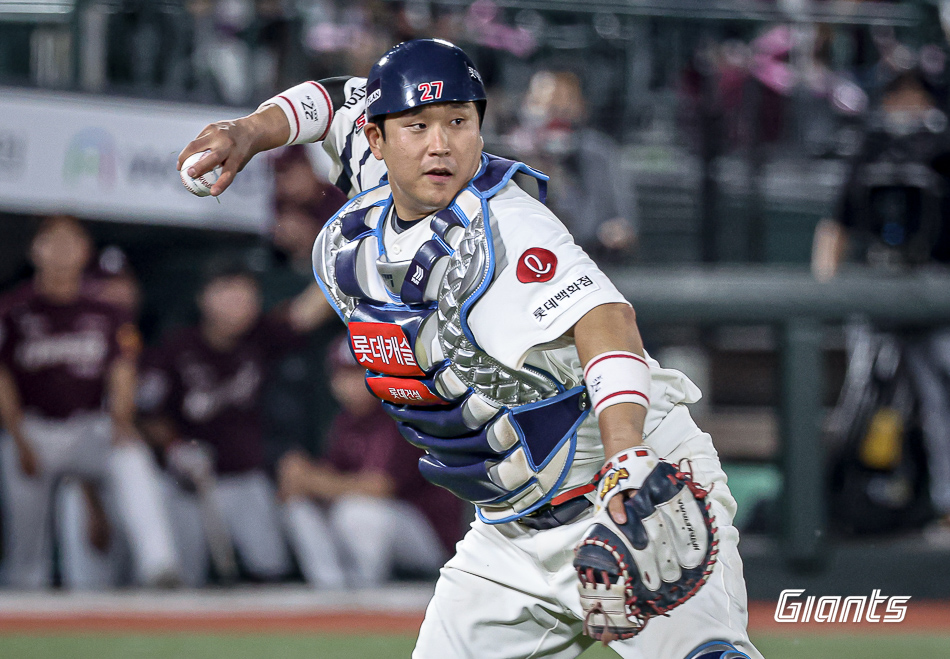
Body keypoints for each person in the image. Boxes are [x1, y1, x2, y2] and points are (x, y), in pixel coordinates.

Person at [178, 39, 761, 659]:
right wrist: (249, 131)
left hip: (623, 496)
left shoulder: (504, 226)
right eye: (418, 125)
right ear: (376, 140)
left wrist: (628, 461)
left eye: (460, 121)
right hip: (511, 533)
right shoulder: (378, 177)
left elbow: (607, 321)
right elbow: (330, 100)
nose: (440, 142)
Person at [0, 215, 179, 589]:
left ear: (84, 251)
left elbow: (122, 369)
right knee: (25, 527)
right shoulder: (13, 308)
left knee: (131, 458)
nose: (63, 250)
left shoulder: (107, 310)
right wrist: (17, 434)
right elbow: (3, 376)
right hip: (33, 428)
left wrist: (121, 419)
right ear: (35, 250)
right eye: (53, 241)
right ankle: (24, 585)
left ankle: (159, 565)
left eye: (71, 241)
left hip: (88, 426)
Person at [136, 262, 333, 586]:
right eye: (227, 290)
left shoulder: (261, 336)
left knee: (269, 568)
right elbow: (147, 417)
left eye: (245, 291)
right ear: (203, 298)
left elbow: (307, 313)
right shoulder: (176, 347)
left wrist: (347, 262)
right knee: (185, 578)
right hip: (191, 482)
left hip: (246, 478)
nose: (237, 300)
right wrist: (174, 447)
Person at [813, 70, 950, 533]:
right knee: (861, 393)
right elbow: (836, 223)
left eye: (916, 97)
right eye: (899, 96)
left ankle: (944, 502)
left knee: (939, 396)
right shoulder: (870, 151)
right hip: (876, 287)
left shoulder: (943, 151)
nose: (908, 107)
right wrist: (823, 289)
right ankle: (845, 494)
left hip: (936, 291)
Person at [278, 335, 462, 587]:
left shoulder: (402, 413)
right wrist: (300, 480)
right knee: (298, 506)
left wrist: (310, 479)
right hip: (381, 526)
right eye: (344, 375)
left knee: (359, 511)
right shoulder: (345, 421)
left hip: (428, 536)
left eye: (360, 374)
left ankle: (368, 592)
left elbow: (379, 487)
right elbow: (332, 477)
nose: (352, 384)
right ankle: (329, 589)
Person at [505, 70, 638, 262]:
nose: (557, 111)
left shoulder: (598, 153)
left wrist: (617, 231)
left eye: (566, 103)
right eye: (547, 103)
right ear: (528, 104)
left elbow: (623, 221)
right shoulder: (506, 156)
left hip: (587, 259)